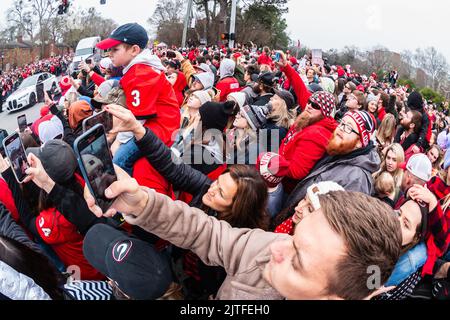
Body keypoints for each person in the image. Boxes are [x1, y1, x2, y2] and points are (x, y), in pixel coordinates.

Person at [83, 169, 402, 300]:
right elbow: (205, 233)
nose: (279, 250)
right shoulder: (277, 247)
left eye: (298, 262)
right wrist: (142, 202)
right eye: (294, 237)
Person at [105, 104, 271, 299]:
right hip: (181, 264)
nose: (211, 189)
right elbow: (172, 166)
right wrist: (138, 129)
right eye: (217, 182)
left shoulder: (241, 243)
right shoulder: (207, 188)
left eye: (221, 193)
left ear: (237, 208)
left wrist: (212, 292)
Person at [97, 23, 181, 194]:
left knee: (119, 160)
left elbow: (136, 119)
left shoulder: (140, 73)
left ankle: (127, 198)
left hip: (161, 128)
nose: (109, 54)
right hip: (158, 122)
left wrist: (119, 141)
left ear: (134, 50)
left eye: (115, 49)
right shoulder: (138, 68)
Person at [280, 110, 379, 214]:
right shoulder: (339, 152)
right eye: (342, 123)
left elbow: (340, 221)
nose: (341, 128)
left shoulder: (357, 179)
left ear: (359, 142)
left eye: (349, 128)